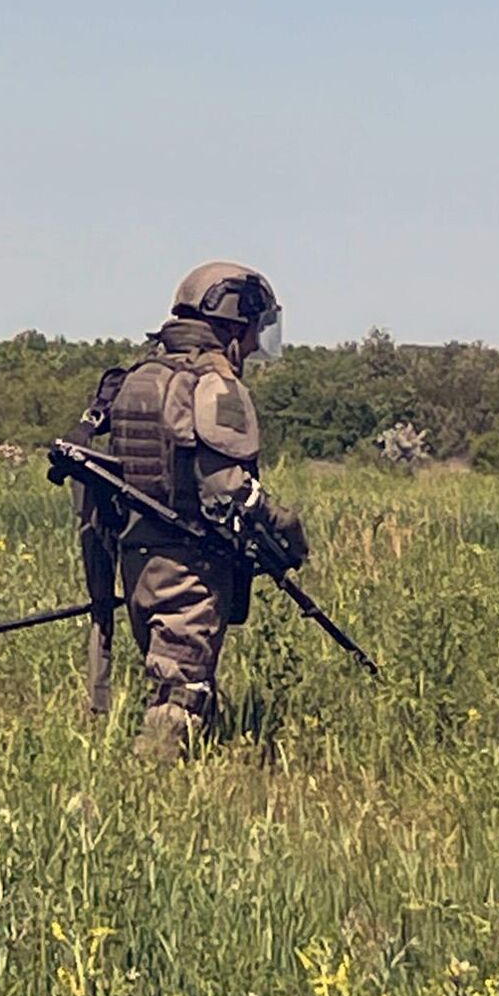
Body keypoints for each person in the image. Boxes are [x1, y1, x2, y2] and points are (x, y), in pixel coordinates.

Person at [87, 261, 309, 761]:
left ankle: (199, 767)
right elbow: (226, 490)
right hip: (189, 561)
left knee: (173, 673)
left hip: (140, 554)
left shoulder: (144, 375)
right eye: (256, 329)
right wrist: (285, 531)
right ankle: (153, 792)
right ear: (235, 322)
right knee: (180, 690)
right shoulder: (213, 384)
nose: (255, 344)